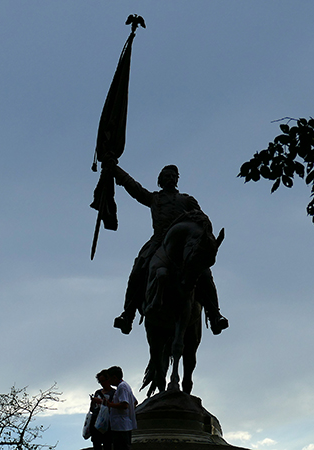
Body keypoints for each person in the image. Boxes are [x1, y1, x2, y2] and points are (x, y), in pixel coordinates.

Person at [105, 161, 228, 335]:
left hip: (183, 247)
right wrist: (114, 170)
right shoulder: (154, 199)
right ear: (160, 180)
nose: (170, 179)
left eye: (173, 176)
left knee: (205, 273)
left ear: (177, 180)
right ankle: (128, 315)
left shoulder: (187, 200)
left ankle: (215, 315)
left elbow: (202, 220)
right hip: (157, 243)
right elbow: (134, 188)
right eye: (166, 176)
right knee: (138, 270)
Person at [105, 365, 138, 450]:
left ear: (114, 378)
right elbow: (134, 402)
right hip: (123, 424)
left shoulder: (122, 387)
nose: (108, 381)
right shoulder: (125, 386)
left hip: (121, 426)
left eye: (108, 378)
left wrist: (110, 405)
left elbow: (124, 405)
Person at [89, 370, 115, 450]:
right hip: (96, 421)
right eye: (100, 382)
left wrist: (102, 402)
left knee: (107, 444)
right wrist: (93, 402)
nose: (102, 384)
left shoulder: (114, 392)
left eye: (103, 381)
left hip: (107, 422)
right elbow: (92, 409)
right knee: (96, 444)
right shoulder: (98, 392)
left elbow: (113, 407)